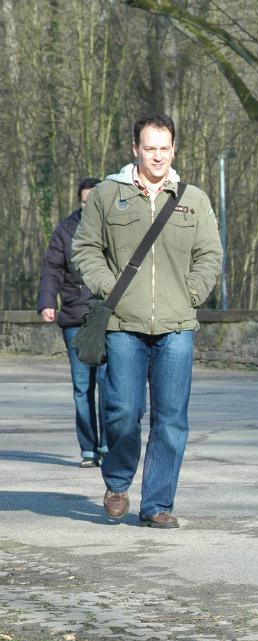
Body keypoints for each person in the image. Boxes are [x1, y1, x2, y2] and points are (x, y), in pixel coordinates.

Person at [73, 113, 223, 528]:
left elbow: (210, 255)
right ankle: (118, 481)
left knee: (171, 419)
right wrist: (107, 288)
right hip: (123, 324)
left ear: (173, 150)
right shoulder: (107, 194)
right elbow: (85, 248)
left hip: (176, 326)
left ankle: (157, 504)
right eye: (149, 148)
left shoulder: (195, 199)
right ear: (135, 149)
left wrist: (191, 295)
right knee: (123, 410)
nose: (157, 156)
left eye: (164, 148)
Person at [37, 177, 106, 468]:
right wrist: (47, 302)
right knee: (82, 387)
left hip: (106, 317)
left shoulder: (113, 227)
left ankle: (107, 444)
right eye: (84, 201)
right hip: (75, 319)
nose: (89, 206)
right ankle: (89, 448)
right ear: (79, 202)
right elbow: (52, 268)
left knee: (109, 384)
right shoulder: (65, 230)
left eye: (94, 201)